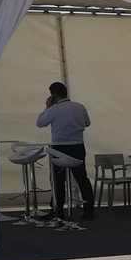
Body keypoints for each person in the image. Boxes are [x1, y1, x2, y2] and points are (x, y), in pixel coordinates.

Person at [36, 81, 94, 220]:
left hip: (59, 147)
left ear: (53, 95)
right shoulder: (80, 107)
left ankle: (57, 211)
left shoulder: (54, 110)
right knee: (82, 179)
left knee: (58, 180)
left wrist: (47, 107)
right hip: (78, 146)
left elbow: (40, 123)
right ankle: (89, 210)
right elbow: (87, 123)